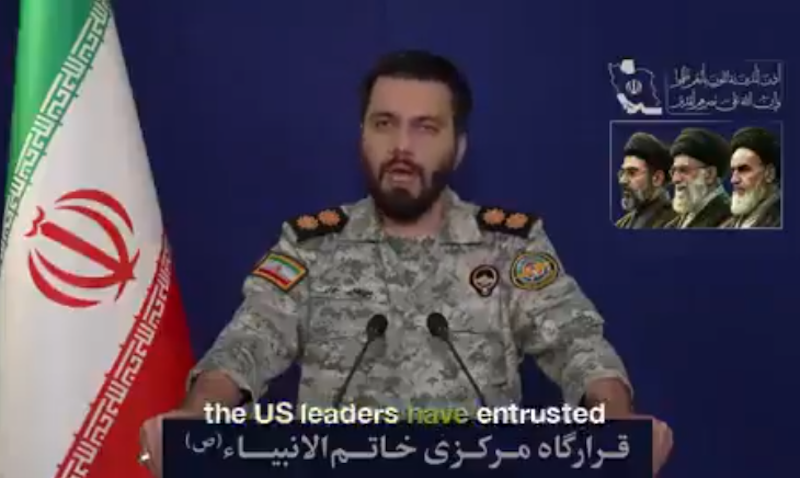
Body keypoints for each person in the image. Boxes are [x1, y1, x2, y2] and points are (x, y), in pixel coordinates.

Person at [139, 50, 673, 477]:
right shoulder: (310, 245)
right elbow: (250, 340)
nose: (401, 146)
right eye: (384, 123)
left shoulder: (509, 244)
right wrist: (197, 415)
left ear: (458, 148)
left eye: (425, 128)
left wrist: (617, 425)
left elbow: (576, 343)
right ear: (362, 135)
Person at [664, 127, 732, 228]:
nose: (675, 179)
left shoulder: (730, 220)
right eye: (673, 171)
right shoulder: (673, 224)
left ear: (709, 174)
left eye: (684, 170)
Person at [721, 126, 781, 228]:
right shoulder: (729, 223)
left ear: (769, 173)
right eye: (733, 171)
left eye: (743, 169)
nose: (734, 180)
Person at [615, 132, 676, 228]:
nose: (622, 180)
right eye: (622, 172)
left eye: (632, 173)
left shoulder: (677, 223)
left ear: (657, 178)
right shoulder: (621, 224)